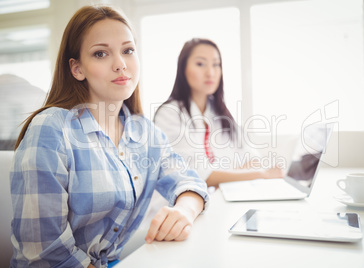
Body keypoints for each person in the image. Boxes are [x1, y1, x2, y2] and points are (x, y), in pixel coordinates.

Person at [9, 6, 208, 268]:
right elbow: (47, 252)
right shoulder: (52, 128)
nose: (120, 64)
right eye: (101, 53)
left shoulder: (144, 132)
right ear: (77, 68)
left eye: (128, 50)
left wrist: (184, 211)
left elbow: (189, 180)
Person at [154, 38, 283, 188]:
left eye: (216, 64)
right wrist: (262, 175)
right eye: (200, 64)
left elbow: (252, 159)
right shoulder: (169, 114)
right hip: (180, 205)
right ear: (183, 69)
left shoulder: (221, 113)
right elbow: (195, 175)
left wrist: (224, 177)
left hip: (221, 198)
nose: (210, 72)